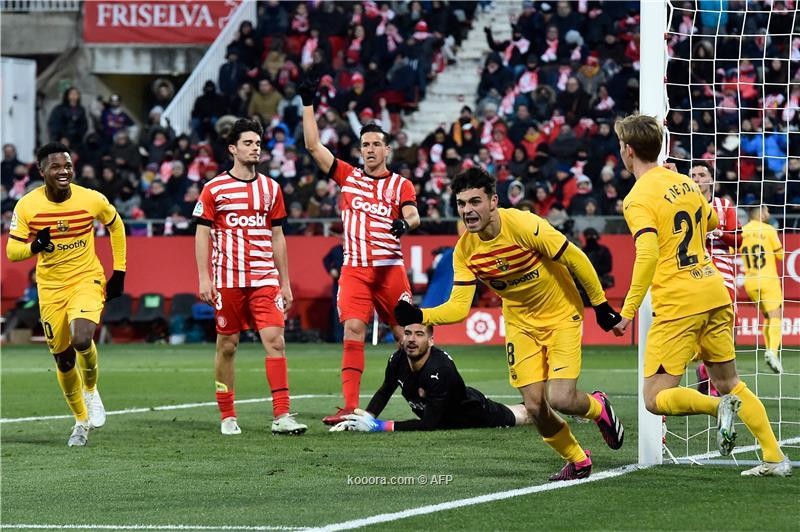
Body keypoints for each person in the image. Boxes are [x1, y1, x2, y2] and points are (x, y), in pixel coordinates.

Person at [394, 166, 625, 481]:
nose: (468, 211)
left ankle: (598, 407)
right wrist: (421, 315)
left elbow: (575, 258)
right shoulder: (464, 250)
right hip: (519, 323)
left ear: (493, 201)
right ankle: (578, 459)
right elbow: (459, 308)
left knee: (560, 398)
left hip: (560, 314)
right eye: (462, 204)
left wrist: (599, 305)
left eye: (475, 201)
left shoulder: (525, 225)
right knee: (535, 406)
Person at [611, 114, 789, 477]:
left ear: (628, 151)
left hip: (679, 302)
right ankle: (774, 457)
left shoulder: (636, 198)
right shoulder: (686, 183)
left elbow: (647, 254)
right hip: (714, 291)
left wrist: (628, 310)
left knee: (654, 398)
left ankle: (716, 408)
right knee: (731, 381)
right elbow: (711, 222)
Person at [298, 75, 421, 425]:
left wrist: (405, 224)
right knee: (353, 329)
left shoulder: (401, 184)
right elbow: (313, 147)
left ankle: (424, 389)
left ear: (387, 150)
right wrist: (308, 105)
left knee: (406, 335)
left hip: (390, 270)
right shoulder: (348, 176)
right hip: (355, 270)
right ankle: (350, 407)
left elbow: (412, 213)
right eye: (364, 144)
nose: (369, 149)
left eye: (375, 144)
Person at [5, 142, 127, 447]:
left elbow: (116, 225)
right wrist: (35, 246)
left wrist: (119, 272)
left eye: (68, 166)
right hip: (50, 289)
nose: (64, 172)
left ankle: (91, 390)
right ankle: (80, 422)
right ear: (42, 170)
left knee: (82, 339)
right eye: (56, 167)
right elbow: (12, 251)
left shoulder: (91, 199)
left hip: (86, 278)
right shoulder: (27, 206)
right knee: (62, 359)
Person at [193, 118, 307, 436]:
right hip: (228, 280)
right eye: (248, 143)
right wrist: (204, 278)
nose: (255, 148)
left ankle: (282, 415)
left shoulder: (272, 188)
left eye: (258, 143)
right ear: (232, 148)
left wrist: (284, 282)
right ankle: (228, 415)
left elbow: (278, 237)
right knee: (228, 345)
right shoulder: (214, 189)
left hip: (264, 278)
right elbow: (202, 235)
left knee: (276, 341)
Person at [331, 323, 531, 432]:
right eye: (407, 333)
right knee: (529, 410)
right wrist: (368, 416)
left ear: (431, 341)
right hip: (443, 416)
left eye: (419, 334)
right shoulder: (397, 358)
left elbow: (429, 424)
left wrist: (380, 426)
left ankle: (549, 404)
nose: (411, 339)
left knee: (526, 416)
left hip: (472, 413)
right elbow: (386, 389)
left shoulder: (440, 369)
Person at [689, 161, 742, 393]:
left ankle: (709, 373)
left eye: (702, 174)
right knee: (697, 322)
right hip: (693, 268)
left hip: (721, 269)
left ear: (711, 180)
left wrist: (719, 232)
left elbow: (738, 239)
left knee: (729, 324)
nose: (698, 178)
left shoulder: (724, 205)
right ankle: (706, 371)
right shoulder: (684, 205)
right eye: (693, 175)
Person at [740, 205, 784, 374]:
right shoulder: (769, 230)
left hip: (750, 282)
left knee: (767, 316)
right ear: (759, 213)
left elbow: (731, 249)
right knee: (776, 315)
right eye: (766, 210)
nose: (769, 214)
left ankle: (769, 350)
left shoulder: (742, 231)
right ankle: (772, 351)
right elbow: (780, 255)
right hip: (768, 280)